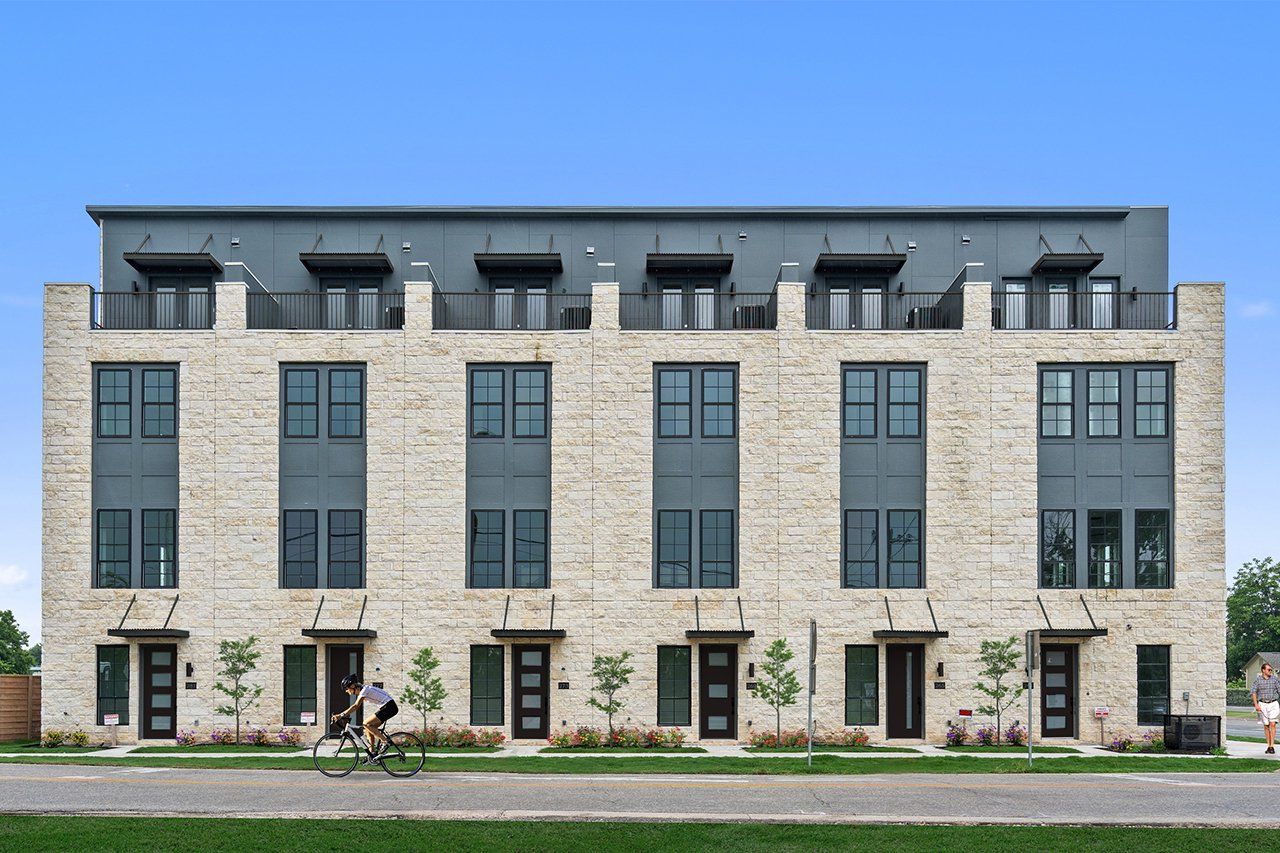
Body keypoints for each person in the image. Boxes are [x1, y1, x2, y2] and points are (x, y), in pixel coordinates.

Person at [330, 674, 399, 762]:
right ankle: (372, 754)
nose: (346, 691)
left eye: (347, 689)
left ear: (352, 686)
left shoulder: (364, 691)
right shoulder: (364, 690)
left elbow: (355, 706)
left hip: (389, 707)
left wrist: (340, 715)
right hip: (386, 706)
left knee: (366, 724)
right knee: (368, 728)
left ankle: (385, 742)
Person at [1251, 661, 1280, 754]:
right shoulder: (1258, 680)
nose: (1270, 671)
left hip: (1273, 703)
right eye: (1268, 669)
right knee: (1266, 725)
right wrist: (1256, 705)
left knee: (1273, 724)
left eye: (1271, 670)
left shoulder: (1275, 679)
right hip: (1262, 704)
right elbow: (1253, 692)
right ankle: (1268, 745)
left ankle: (1272, 746)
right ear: (1263, 670)